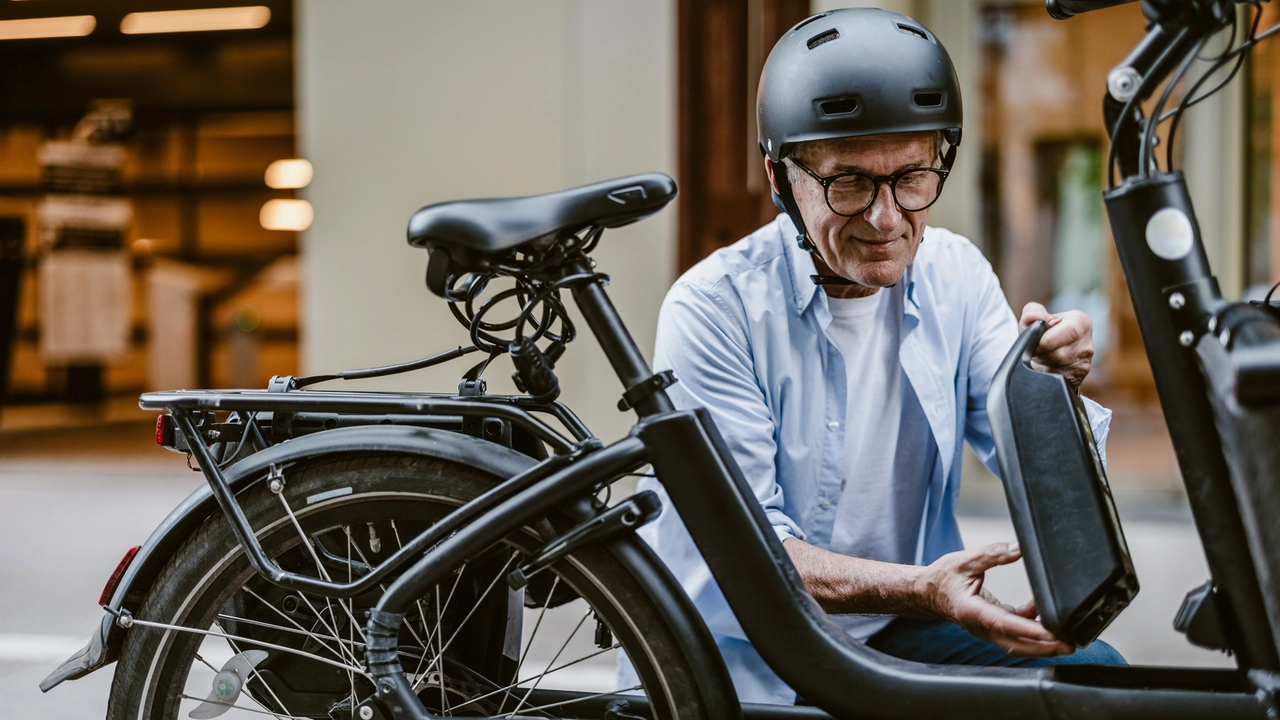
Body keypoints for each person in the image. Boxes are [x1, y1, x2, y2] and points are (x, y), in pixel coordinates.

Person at [621, 8, 1125, 705]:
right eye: (849, 182)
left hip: (890, 632)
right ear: (780, 175)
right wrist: (925, 589)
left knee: (1096, 682)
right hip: (741, 655)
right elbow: (749, 553)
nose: (887, 219)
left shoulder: (956, 272)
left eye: (912, 177)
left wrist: (1051, 389)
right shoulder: (713, 309)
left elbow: (1036, 474)